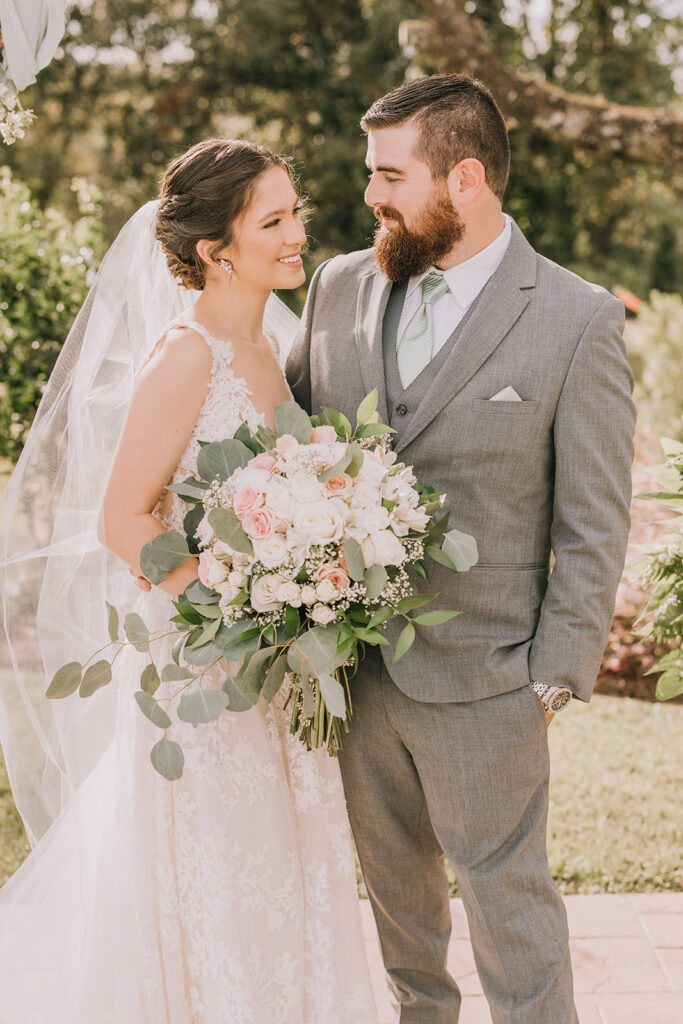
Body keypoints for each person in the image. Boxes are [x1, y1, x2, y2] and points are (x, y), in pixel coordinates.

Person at [0, 138, 376, 1023]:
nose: (298, 235)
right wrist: (242, 597)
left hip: (278, 675)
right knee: (219, 882)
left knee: (286, 877)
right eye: (272, 220)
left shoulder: (279, 347)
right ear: (215, 249)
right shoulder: (186, 355)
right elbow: (124, 521)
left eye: (296, 213)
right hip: (206, 671)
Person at [287, 73, 636, 1024]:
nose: (370, 196)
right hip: (357, 677)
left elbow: (594, 520)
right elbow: (282, 447)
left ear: (466, 179)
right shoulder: (339, 287)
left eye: (389, 175)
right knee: (402, 927)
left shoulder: (575, 320)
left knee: (511, 924)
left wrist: (553, 678)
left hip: (491, 684)